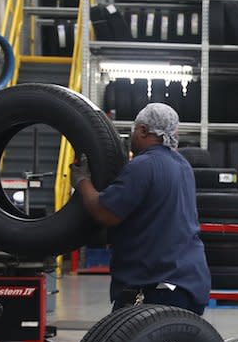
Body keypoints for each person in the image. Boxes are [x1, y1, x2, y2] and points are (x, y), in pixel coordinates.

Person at [69, 103, 210, 314]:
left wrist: (81, 181)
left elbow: (105, 213)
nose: (132, 137)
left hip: (156, 286)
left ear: (143, 131)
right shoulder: (182, 165)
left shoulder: (143, 165)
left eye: (134, 131)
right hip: (189, 282)